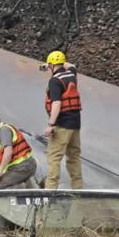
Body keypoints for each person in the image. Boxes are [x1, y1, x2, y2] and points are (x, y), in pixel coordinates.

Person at [42, 50, 83, 189]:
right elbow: (72, 65)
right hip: (75, 124)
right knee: (74, 157)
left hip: (62, 125)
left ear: (52, 65)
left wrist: (50, 124)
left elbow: (56, 103)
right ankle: (78, 190)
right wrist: (54, 62)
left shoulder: (54, 81)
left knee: (54, 158)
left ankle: (49, 192)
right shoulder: (72, 74)